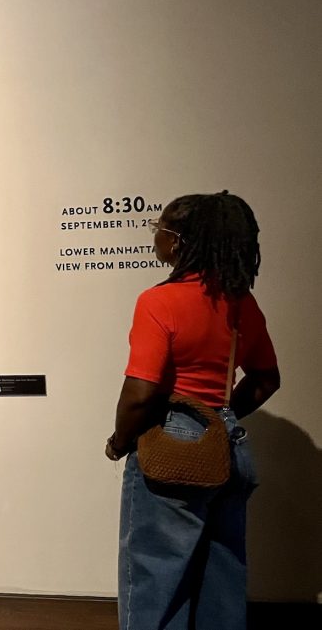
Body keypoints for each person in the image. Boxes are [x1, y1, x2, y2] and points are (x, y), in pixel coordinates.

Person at [105, 192, 280, 630]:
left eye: (159, 229)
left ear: (178, 242)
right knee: (221, 573)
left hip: (171, 450)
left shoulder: (158, 301)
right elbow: (265, 379)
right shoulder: (240, 301)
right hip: (228, 444)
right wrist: (217, 418)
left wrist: (119, 441)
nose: (156, 237)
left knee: (153, 578)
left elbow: (141, 393)